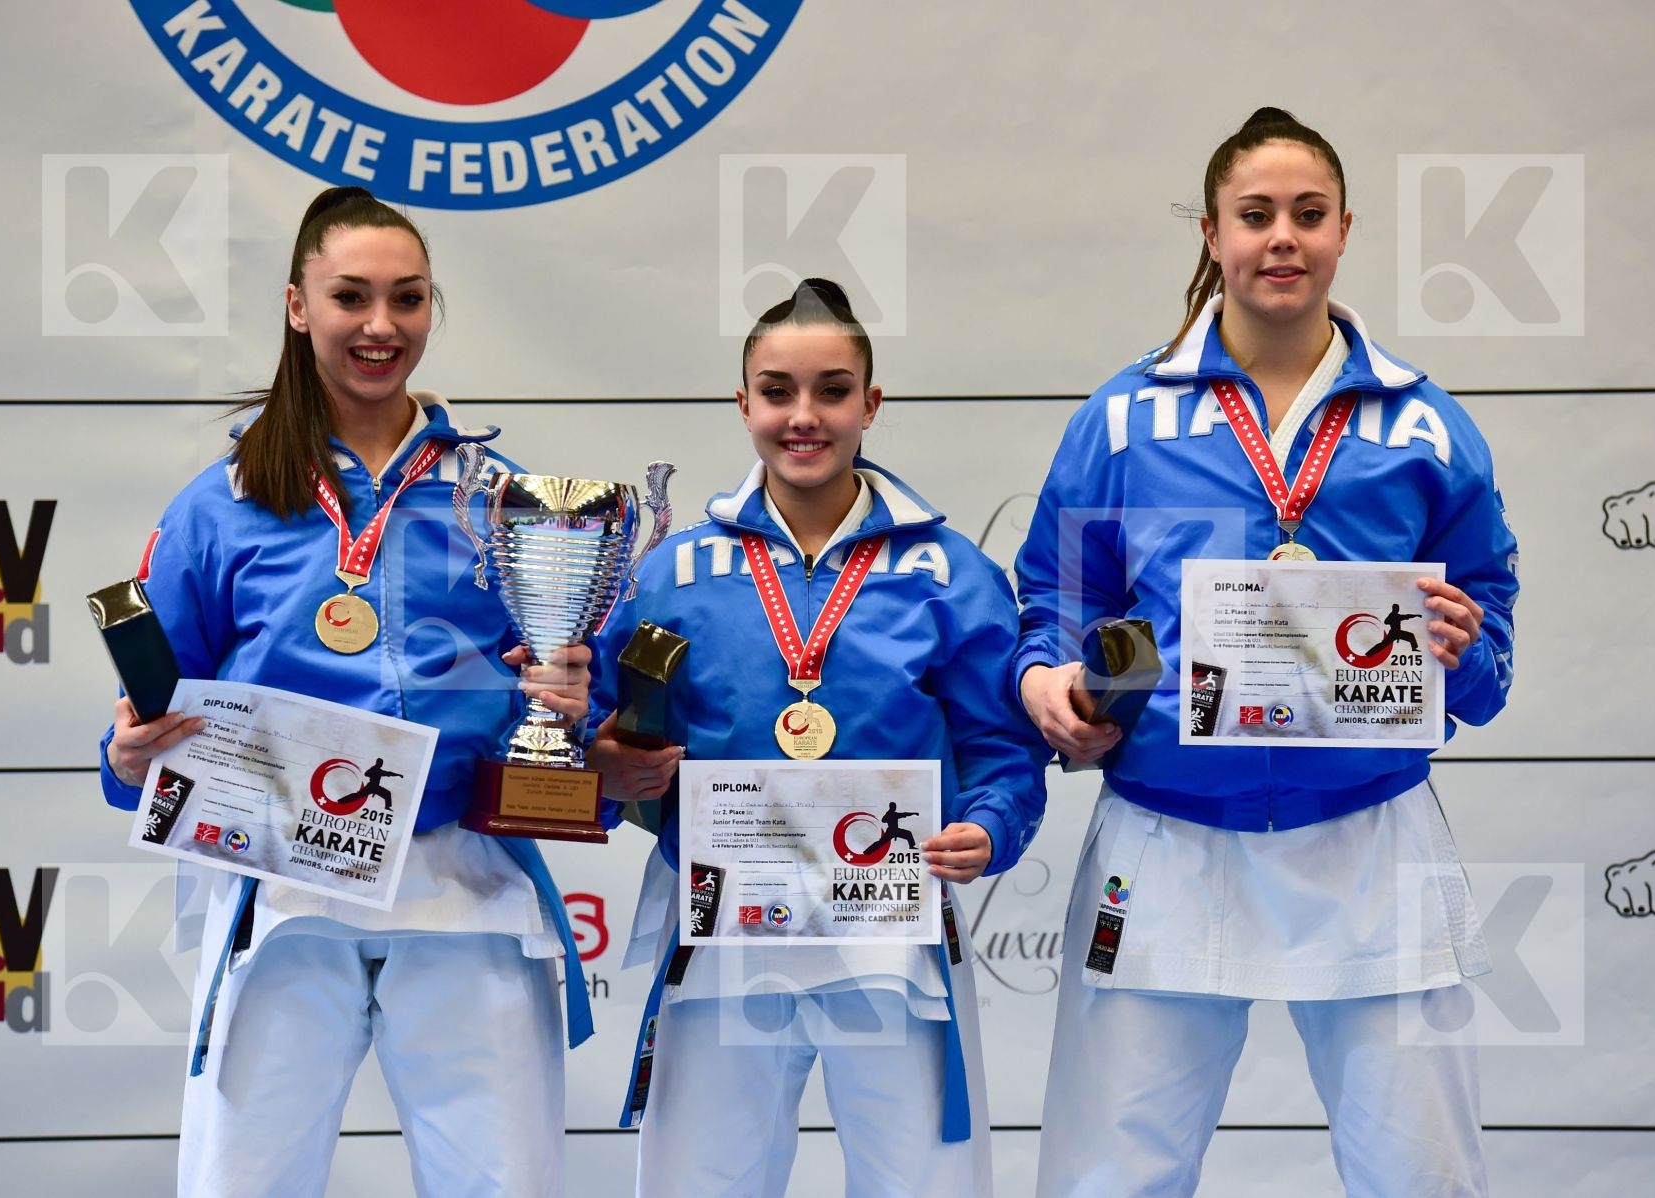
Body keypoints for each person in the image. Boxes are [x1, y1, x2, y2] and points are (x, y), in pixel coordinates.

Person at [1015, 109, 1518, 1197]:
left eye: (1307, 214)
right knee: (1108, 1178)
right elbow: (1057, 598)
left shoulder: (1425, 427)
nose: (1281, 237)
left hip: (1370, 836)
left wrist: (1463, 651)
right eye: (1255, 216)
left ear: (1345, 232)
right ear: (1211, 234)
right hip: (1165, 835)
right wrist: (1046, 680)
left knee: (1424, 1176)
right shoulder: (1121, 418)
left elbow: (1491, 635)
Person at [99, 186, 595, 1198]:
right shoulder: (223, 501)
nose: (381, 326)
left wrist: (572, 704)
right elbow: (140, 741)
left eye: (408, 299)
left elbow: (574, 705)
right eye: (352, 297)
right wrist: (126, 758)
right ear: (297, 306)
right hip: (279, 890)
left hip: (464, 884)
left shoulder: (500, 495)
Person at [586, 279, 1050, 1197]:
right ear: (743, 402)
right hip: (721, 931)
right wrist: (609, 770)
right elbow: (604, 738)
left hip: (893, 936)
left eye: (833, 391)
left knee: (924, 1183)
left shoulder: (947, 570)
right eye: (778, 391)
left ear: (871, 404)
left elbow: (1004, 749)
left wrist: (989, 828)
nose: (805, 417)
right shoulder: (673, 572)